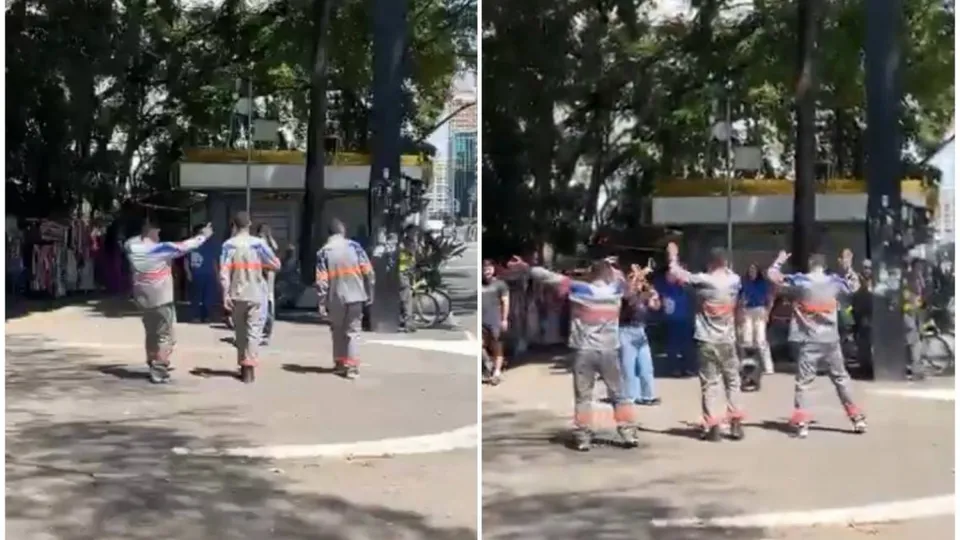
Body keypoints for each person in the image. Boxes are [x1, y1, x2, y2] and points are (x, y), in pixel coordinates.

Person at [506, 255, 639, 452]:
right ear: (610, 274)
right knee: (619, 395)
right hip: (610, 350)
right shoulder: (617, 291)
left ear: (590, 274)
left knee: (583, 397)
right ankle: (628, 433)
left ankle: (583, 437)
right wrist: (614, 267)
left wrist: (527, 267)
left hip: (583, 351)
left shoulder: (581, 290)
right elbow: (626, 283)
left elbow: (550, 277)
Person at [767, 250, 867, 438]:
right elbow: (854, 285)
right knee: (841, 379)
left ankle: (803, 423)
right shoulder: (834, 282)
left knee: (804, 383)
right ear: (824, 266)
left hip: (808, 340)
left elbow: (773, 277)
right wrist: (847, 267)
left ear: (810, 265)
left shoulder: (800, 281)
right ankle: (857, 418)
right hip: (831, 340)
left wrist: (779, 261)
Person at [666, 243, 745, 441]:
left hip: (707, 339)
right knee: (733, 382)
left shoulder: (704, 281)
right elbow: (728, 273)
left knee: (710, 384)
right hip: (728, 339)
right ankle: (735, 424)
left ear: (709, 263)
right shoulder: (735, 281)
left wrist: (673, 256)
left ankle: (713, 427)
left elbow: (678, 274)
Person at [125, 220, 212, 384]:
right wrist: (203, 236)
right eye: (157, 233)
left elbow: (135, 240)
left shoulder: (132, 247)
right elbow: (186, 246)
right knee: (165, 336)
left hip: (142, 298)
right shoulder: (162, 249)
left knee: (151, 332)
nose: (159, 236)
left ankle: (152, 362)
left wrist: (145, 233)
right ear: (152, 232)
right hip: (161, 298)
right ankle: (159, 369)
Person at [220, 212, 281, 381]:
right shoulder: (258, 244)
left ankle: (242, 363)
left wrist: (225, 294)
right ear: (249, 224)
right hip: (257, 293)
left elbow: (224, 272)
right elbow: (276, 264)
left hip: (236, 293)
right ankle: (249, 366)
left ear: (234, 225)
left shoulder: (228, 245)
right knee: (254, 331)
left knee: (240, 331)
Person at [316, 218, 375, 379]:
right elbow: (369, 272)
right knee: (353, 331)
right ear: (343, 231)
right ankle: (352, 367)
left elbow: (322, 281)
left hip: (336, 297)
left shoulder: (323, 252)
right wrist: (370, 292)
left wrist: (322, 303)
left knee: (337, 331)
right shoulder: (355, 247)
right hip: (356, 295)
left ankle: (340, 363)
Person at [619, 263, 662, 406]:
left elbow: (655, 306)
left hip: (640, 331)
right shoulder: (624, 292)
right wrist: (638, 275)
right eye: (633, 277)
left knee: (646, 366)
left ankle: (647, 396)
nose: (638, 282)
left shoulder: (643, 294)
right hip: (625, 330)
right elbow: (628, 295)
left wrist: (654, 296)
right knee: (628, 367)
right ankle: (630, 397)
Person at [654, 265, 696, 377]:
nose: (673, 276)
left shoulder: (685, 287)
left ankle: (688, 367)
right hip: (671, 320)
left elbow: (693, 299)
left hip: (685, 319)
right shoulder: (663, 286)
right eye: (670, 274)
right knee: (672, 345)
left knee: (687, 345)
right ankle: (674, 368)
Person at [738, 263, 775, 375]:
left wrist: (767, 313)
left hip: (760, 310)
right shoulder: (744, 283)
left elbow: (770, 299)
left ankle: (768, 367)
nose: (752, 272)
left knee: (761, 340)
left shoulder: (763, 284)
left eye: (754, 270)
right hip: (747, 310)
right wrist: (741, 309)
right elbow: (740, 299)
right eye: (750, 270)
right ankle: (745, 366)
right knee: (747, 339)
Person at [481, 259, 510, 385]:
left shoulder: (500, 284)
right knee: (480, 347)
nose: (487, 271)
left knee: (497, 347)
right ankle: (489, 364)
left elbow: (506, 302)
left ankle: (497, 373)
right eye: (484, 269)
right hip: (482, 321)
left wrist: (504, 319)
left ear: (493, 269)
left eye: (489, 269)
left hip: (495, 320)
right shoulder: (479, 284)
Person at [185, 224, 221, 323]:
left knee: (208, 297)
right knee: (196, 297)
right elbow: (186, 260)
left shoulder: (211, 245)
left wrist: (217, 275)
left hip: (209, 274)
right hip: (197, 274)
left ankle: (207, 316)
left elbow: (214, 261)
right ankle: (195, 316)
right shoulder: (192, 245)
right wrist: (188, 272)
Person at [255, 224, 279, 345]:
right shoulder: (257, 244)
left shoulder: (267, 245)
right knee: (264, 306)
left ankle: (265, 332)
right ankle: (263, 332)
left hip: (267, 278)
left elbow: (275, 248)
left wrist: (269, 237)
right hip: (262, 278)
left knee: (268, 305)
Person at [398, 226, 417, 332]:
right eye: (413, 232)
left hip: (406, 273)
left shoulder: (409, 242)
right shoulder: (405, 244)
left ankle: (404, 321)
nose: (415, 234)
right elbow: (409, 255)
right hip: (403, 273)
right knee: (406, 299)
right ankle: (408, 324)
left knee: (404, 298)